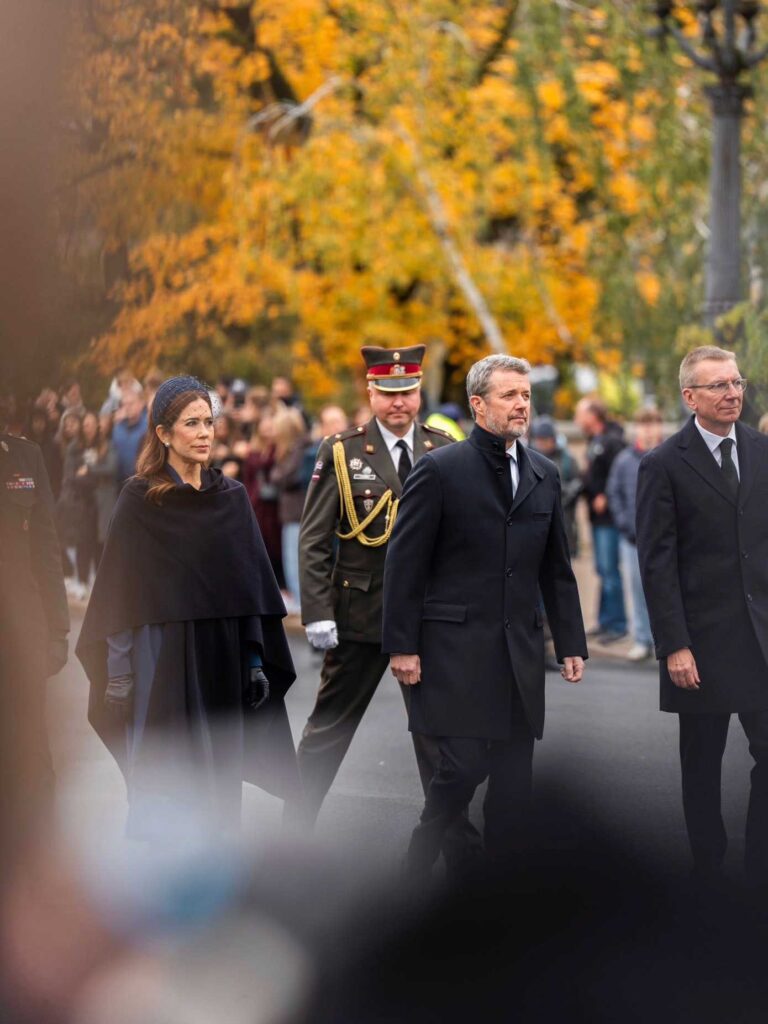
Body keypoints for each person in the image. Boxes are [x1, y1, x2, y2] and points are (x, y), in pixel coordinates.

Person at [382, 354, 587, 875]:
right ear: (478, 404)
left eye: (526, 395)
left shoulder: (544, 473)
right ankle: (422, 850)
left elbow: (556, 568)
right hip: (456, 650)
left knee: (515, 781)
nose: (522, 405)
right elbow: (404, 564)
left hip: (520, 651)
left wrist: (571, 642)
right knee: (463, 765)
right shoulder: (439, 470)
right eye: (509, 395)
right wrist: (402, 645)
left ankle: (502, 889)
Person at [76, 376, 297, 840]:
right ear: (163, 432)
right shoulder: (139, 500)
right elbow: (119, 590)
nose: (204, 433)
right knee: (165, 774)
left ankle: (216, 865)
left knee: (219, 773)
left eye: (209, 422)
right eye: (191, 423)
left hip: (222, 653)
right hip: (161, 654)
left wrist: (255, 660)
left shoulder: (231, 498)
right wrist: (119, 669)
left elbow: (248, 587)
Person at [291, 344, 483, 873]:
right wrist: (317, 610)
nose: (400, 403)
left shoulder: (443, 446)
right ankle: (289, 840)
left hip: (426, 619)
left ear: (419, 393)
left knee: (439, 742)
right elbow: (314, 539)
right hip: (361, 613)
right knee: (327, 732)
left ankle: (462, 855)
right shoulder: (341, 451)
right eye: (389, 393)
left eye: (408, 392)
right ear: (371, 392)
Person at [636, 346, 768, 885]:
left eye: (736, 383)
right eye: (718, 385)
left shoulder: (762, 450)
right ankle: (708, 869)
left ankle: (758, 868)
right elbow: (657, 563)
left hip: (760, 640)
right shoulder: (663, 464)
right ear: (690, 397)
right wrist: (674, 644)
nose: (732, 393)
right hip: (701, 644)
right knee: (702, 764)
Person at [0, 386, 69, 821]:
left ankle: (38, 837)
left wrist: (58, 630)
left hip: (22, 630)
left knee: (29, 745)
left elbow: (47, 549)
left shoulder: (26, 458)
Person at [606, 407, 664, 662]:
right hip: (632, 538)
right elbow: (614, 492)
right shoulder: (624, 460)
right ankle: (642, 639)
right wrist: (624, 523)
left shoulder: (670, 456)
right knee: (637, 590)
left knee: (664, 591)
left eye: (652, 424)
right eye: (643, 424)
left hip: (664, 539)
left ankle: (664, 641)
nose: (648, 430)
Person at [574, 397, 627, 642]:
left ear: (593, 415)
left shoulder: (612, 441)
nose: (577, 419)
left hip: (609, 519)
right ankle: (605, 621)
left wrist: (604, 493)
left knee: (610, 571)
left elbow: (620, 472)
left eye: (580, 414)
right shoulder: (594, 441)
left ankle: (617, 625)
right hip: (596, 518)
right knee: (603, 571)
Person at [270, 406, 310, 614]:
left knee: (295, 560)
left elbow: (283, 476)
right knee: (292, 558)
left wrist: (276, 475)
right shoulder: (294, 450)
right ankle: (297, 599)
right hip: (292, 513)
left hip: (297, 513)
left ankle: (301, 603)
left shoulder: (299, 450)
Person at [528, 415, 581, 557]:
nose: (542, 444)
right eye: (539, 440)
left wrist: (558, 494)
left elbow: (577, 484)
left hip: (563, 522)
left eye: (545, 440)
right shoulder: (528, 458)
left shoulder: (567, 460)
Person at [112, 389, 147, 485]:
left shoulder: (148, 426)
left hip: (142, 481)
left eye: (131, 404)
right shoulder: (117, 428)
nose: (127, 407)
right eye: (124, 404)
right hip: (120, 482)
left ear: (141, 404)